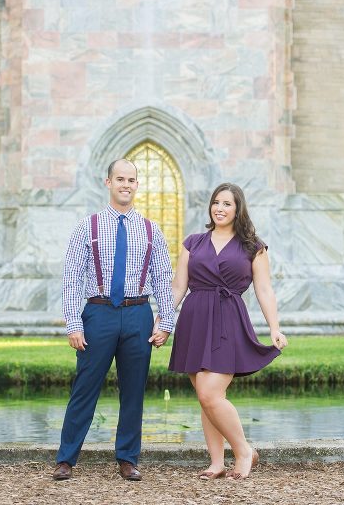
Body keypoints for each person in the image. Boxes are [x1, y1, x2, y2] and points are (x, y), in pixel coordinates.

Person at [53, 159, 175, 482]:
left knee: (134, 391)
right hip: (98, 313)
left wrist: (165, 322)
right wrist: (73, 323)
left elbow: (163, 277)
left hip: (138, 313)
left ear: (137, 185)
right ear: (107, 182)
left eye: (131, 180)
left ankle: (127, 458)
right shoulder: (87, 227)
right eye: (119, 179)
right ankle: (66, 459)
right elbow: (72, 278)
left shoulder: (151, 230)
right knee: (85, 387)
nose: (125, 184)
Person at [162, 182, 288, 480]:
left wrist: (274, 328)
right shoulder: (193, 242)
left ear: (237, 209)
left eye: (227, 203)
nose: (219, 208)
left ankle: (244, 451)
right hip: (194, 319)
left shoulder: (253, 247)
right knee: (205, 397)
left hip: (227, 319)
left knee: (210, 393)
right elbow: (178, 287)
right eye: (216, 202)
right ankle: (217, 462)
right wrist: (163, 321)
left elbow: (265, 290)